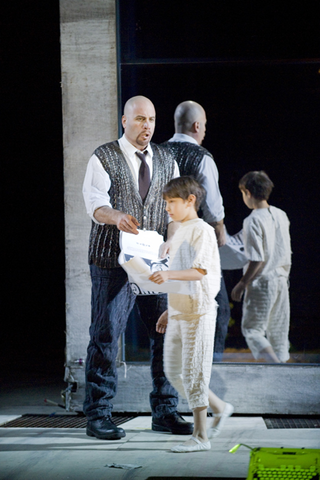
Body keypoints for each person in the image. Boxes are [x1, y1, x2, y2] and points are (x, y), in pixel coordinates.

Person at [82, 95, 193, 440]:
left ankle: (165, 412)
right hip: (111, 262)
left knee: (167, 334)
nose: (147, 126)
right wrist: (116, 217)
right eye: (141, 119)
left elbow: (175, 212)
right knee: (105, 337)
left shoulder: (166, 159)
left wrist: (172, 242)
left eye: (152, 120)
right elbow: (96, 204)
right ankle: (98, 416)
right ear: (124, 121)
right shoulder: (103, 157)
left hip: (154, 263)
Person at [150, 177, 234, 453]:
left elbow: (199, 272)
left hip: (198, 312)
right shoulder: (182, 230)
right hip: (179, 311)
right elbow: (181, 278)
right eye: (166, 203)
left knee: (194, 373)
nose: (167, 208)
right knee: (174, 372)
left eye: (172, 202)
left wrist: (167, 274)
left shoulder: (203, 231)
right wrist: (168, 310)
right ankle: (220, 408)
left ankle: (201, 436)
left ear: (190, 200)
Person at [162, 101, 230, 362]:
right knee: (216, 309)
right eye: (204, 127)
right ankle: (209, 375)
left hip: (161, 243)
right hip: (193, 245)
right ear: (197, 126)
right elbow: (212, 206)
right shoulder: (202, 157)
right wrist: (220, 231)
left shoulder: (157, 153)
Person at [231, 171, 292, 363]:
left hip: (262, 281)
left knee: (252, 330)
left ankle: (275, 369)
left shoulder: (253, 220)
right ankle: (283, 374)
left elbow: (257, 258)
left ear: (247, 193)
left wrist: (242, 283)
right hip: (282, 279)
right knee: (278, 332)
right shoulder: (281, 214)